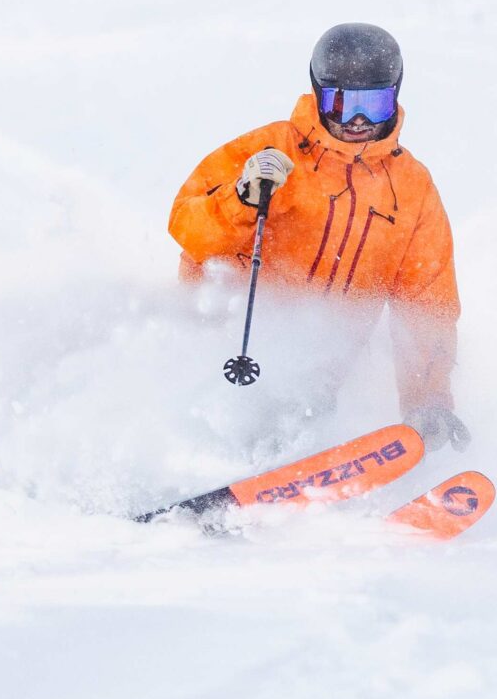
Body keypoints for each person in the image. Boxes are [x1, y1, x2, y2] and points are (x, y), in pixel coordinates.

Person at [168, 23, 469, 450]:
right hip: (228, 347)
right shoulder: (273, 149)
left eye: (375, 104)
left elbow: (426, 305)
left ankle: (284, 476)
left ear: (396, 97)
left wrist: (429, 402)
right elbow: (187, 225)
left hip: (319, 376)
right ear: (318, 94)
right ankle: (184, 456)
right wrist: (241, 199)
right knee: (221, 418)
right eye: (342, 103)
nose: (358, 121)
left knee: (299, 420)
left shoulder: (413, 190)